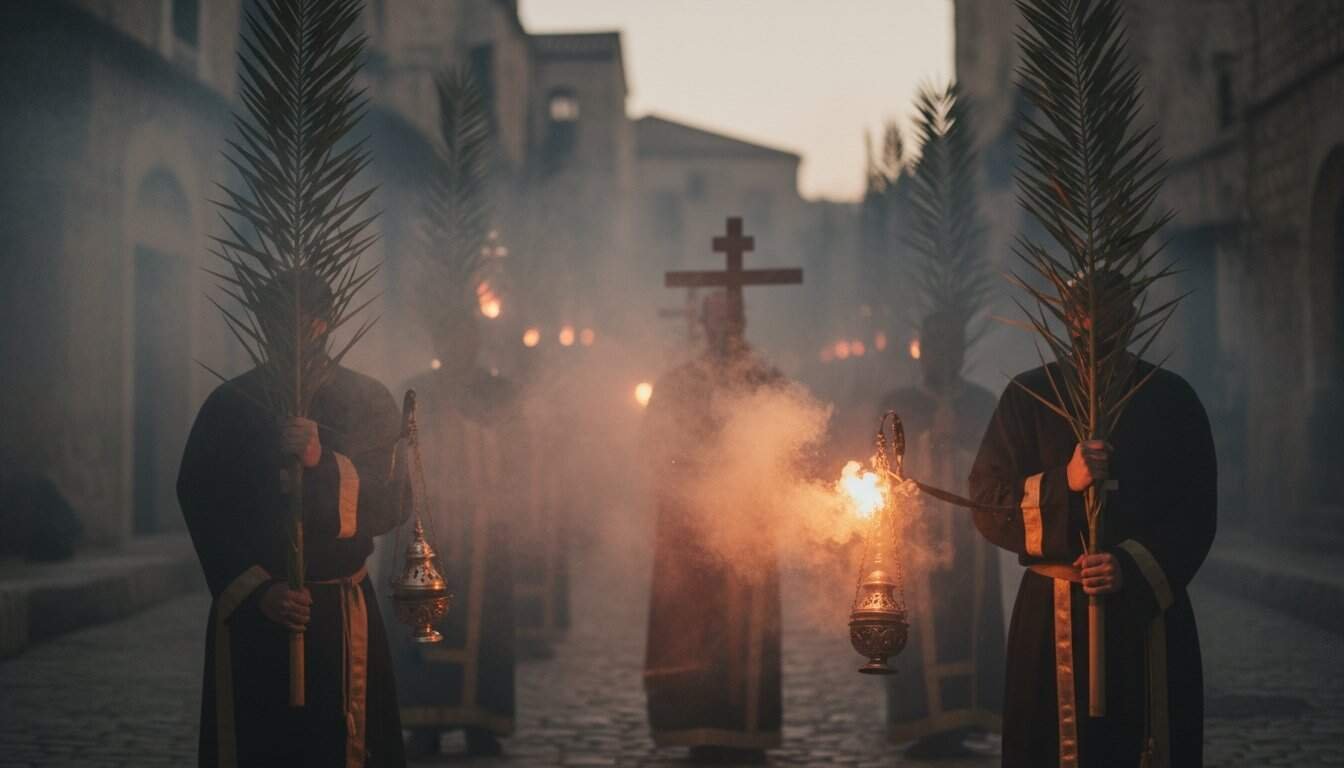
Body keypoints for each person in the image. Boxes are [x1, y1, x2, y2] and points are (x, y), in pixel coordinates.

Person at [968, 272, 1217, 767]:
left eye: (1113, 310)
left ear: (1133, 315)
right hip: (1052, 617)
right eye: (1086, 310)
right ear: (1067, 316)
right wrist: (1067, 480)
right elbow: (988, 503)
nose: (1098, 323)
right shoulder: (1029, 396)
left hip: (1146, 618)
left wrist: (1129, 565)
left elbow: (1196, 511)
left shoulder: (1171, 398)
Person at [178, 269, 408, 767]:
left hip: (340, 618)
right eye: (271, 320)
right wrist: (257, 591)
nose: (281, 331)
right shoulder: (231, 403)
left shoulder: (366, 400)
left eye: (295, 320)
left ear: (323, 324)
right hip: (256, 616)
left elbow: (393, 500)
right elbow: (202, 500)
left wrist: (319, 463)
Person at [643, 292, 783, 764]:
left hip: (752, 528)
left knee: (750, 632)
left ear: (743, 321)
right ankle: (699, 727)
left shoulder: (766, 381)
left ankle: (749, 729)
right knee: (694, 629)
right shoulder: (677, 384)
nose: (724, 329)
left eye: (732, 319)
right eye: (715, 320)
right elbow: (654, 451)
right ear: (701, 324)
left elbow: (794, 450)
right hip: (691, 532)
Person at [384, 306, 517, 758]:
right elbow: (398, 455)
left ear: (476, 342)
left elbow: (519, 452)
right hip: (427, 524)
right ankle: (425, 723)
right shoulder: (416, 391)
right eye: (449, 337)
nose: (457, 346)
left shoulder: (497, 391)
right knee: (423, 622)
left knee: (486, 627)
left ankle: (480, 719)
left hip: (485, 527)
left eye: (465, 337)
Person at [879, 310, 1004, 758]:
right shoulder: (898, 404)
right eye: (935, 345)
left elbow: (1000, 466)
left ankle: (967, 715)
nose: (943, 355)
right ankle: (922, 719)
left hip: (971, 537)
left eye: (953, 346)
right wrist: (930, 443)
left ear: (963, 351)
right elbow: (884, 468)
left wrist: (962, 445)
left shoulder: (982, 402)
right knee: (920, 627)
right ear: (922, 350)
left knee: (969, 626)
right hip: (916, 538)